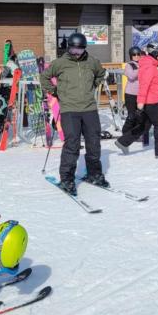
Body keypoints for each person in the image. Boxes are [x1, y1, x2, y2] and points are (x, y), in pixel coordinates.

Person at [40, 32, 107, 194]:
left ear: (84, 49)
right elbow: (44, 77)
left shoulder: (92, 62)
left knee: (93, 142)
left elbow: (101, 73)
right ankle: (67, 179)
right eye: (73, 50)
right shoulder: (60, 63)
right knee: (72, 144)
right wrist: (55, 91)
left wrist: (93, 85)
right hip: (69, 110)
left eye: (80, 50)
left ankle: (95, 174)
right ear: (69, 48)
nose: (76, 53)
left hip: (89, 108)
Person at [115, 42, 158, 158]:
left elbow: (153, 84)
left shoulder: (151, 64)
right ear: (155, 53)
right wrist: (141, 102)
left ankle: (123, 142)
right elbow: (144, 86)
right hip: (150, 101)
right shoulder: (150, 67)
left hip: (151, 99)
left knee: (145, 125)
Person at [121, 46, 143, 134]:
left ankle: (136, 133)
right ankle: (125, 132)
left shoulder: (142, 64)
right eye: (134, 55)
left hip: (141, 94)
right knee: (131, 115)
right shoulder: (129, 65)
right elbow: (131, 76)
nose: (136, 56)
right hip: (130, 94)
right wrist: (141, 68)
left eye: (138, 54)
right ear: (131, 56)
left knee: (140, 115)